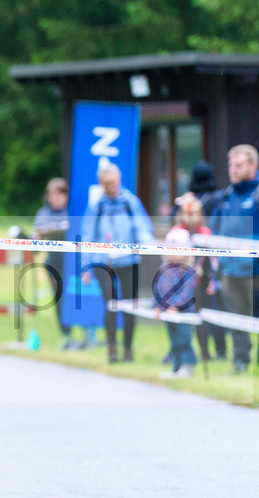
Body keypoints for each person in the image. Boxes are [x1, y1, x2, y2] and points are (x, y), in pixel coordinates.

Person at [80, 162, 155, 363]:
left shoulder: (130, 202)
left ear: (120, 181)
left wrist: (148, 244)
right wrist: (86, 265)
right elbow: (87, 235)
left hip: (129, 260)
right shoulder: (97, 204)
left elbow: (142, 227)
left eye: (114, 182)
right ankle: (112, 349)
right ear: (101, 184)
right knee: (111, 305)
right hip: (103, 262)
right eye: (106, 183)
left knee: (130, 306)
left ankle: (128, 349)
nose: (111, 187)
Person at [208, 144, 259, 373]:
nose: (233, 170)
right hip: (230, 270)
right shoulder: (226, 196)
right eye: (231, 165)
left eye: (239, 165)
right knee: (237, 320)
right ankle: (240, 361)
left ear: (253, 165)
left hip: (257, 270)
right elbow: (213, 229)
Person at [173, 194, 224, 361]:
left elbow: (213, 260)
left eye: (194, 213)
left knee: (207, 319)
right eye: (186, 213)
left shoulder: (205, 233)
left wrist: (213, 279)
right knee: (182, 320)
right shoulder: (176, 233)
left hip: (202, 284)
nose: (190, 217)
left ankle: (211, 351)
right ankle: (180, 352)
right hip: (182, 284)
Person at [33, 178, 74, 349]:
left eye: (60, 194)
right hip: (54, 263)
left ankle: (87, 332)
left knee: (77, 296)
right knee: (59, 298)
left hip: (72, 263)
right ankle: (66, 334)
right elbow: (36, 239)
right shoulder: (43, 213)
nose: (56, 198)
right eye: (53, 195)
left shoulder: (73, 210)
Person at [154, 227, 199, 379]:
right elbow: (158, 289)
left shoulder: (188, 270)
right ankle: (176, 368)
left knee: (184, 339)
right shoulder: (163, 269)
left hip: (183, 313)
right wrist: (157, 307)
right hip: (168, 313)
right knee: (174, 340)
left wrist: (175, 306)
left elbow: (186, 293)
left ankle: (188, 365)